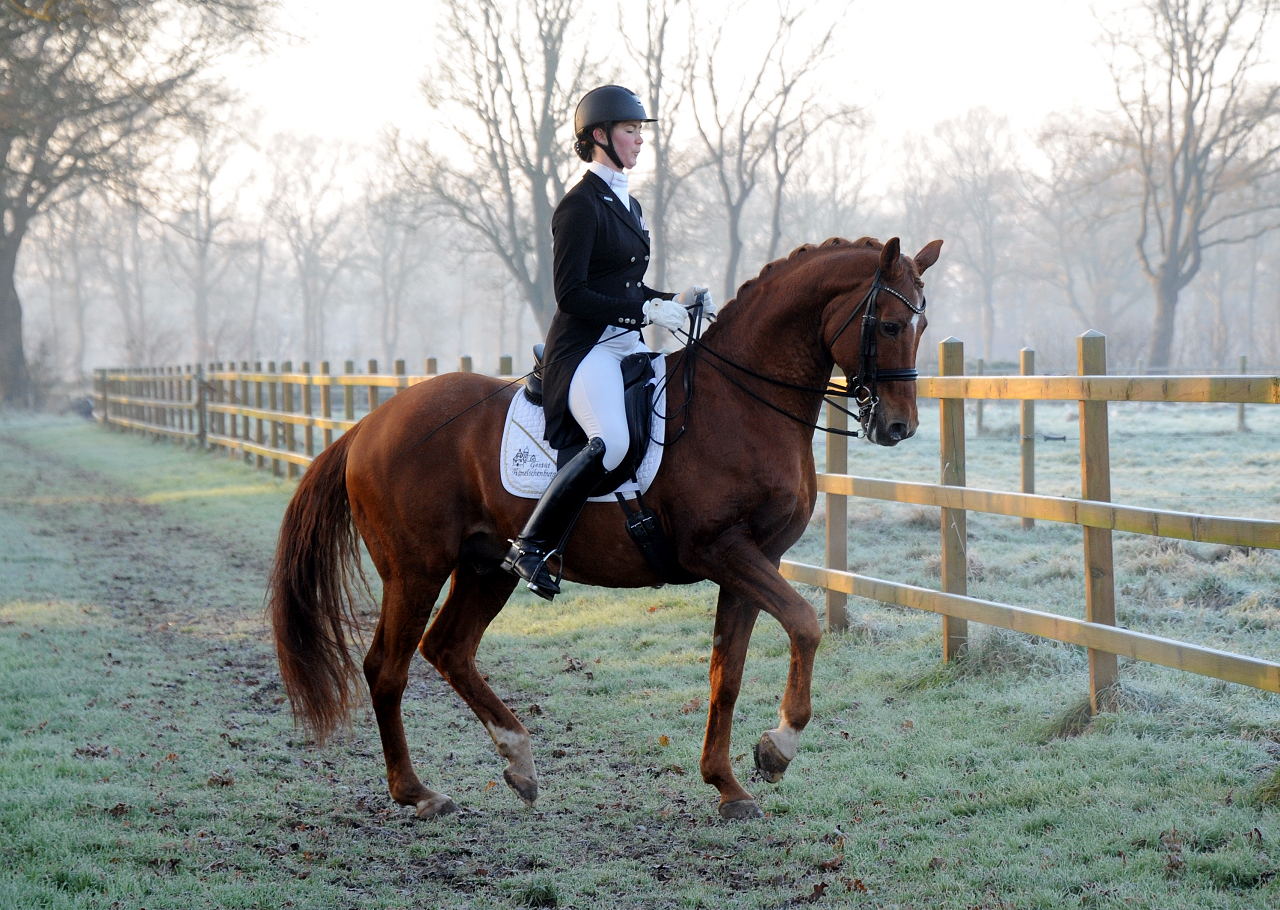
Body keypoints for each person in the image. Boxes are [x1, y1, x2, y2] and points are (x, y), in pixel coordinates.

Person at [501, 84, 714, 600]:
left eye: (640, 131)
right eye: (630, 130)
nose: (640, 140)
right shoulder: (579, 207)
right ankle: (531, 545)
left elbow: (626, 287)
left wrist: (673, 299)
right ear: (600, 136)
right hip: (585, 349)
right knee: (613, 440)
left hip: (625, 341)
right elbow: (572, 294)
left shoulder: (630, 204)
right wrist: (643, 309)